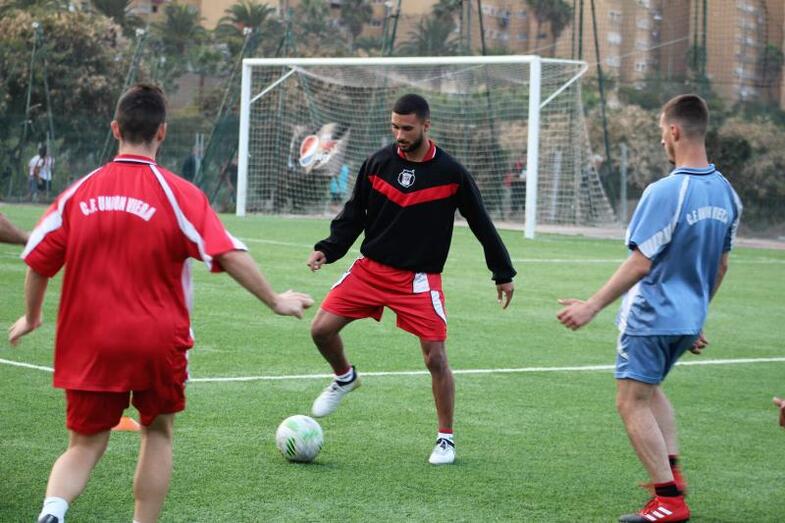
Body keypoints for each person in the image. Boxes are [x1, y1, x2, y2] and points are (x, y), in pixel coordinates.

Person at [8, 84, 313, 523]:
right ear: (163, 133)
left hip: (89, 340)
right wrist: (275, 300)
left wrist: (33, 316)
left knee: (84, 445)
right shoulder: (178, 194)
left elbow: (38, 259)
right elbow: (227, 252)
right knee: (158, 433)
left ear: (115, 128)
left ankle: (52, 512)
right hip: (156, 339)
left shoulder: (78, 193)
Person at [556, 94, 741, 523]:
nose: (661, 139)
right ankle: (672, 478)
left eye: (661, 130)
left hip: (652, 317)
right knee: (650, 390)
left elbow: (641, 261)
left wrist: (592, 306)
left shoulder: (666, 191)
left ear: (674, 131)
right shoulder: (727, 193)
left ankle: (669, 501)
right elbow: (722, 263)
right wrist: (696, 316)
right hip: (687, 318)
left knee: (630, 401)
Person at [306, 94, 516, 466]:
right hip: (370, 270)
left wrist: (502, 272)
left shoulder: (451, 173)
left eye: (407, 128)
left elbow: (481, 223)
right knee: (320, 330)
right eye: (395, 127)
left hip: (418, 280)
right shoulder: (377, 163)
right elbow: (354, 214)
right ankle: (345, 377)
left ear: (425, 126)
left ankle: (446, 439)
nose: (399, 134)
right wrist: (328, 248)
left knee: (435, 357)